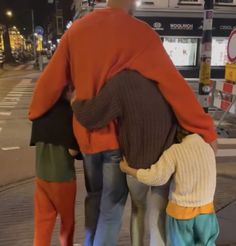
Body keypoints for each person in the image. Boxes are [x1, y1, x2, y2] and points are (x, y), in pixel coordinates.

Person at [28, 0, 217, 245]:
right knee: (112, 205)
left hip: (85, 138)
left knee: (94, 197)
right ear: (130, 5)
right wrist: (205, 129)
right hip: (113, 139)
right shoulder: (140, 33)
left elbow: (50, 82)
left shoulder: (76, 31)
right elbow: (173, 85)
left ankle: (89, 241)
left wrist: (36, 111)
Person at [71, 70, 177, 246]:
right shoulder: (165, 76)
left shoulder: (123, 80)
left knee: (138, 210)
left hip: (134, 166)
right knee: (158, 214)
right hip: (164, 163)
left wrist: (76, 103)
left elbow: (93, 115)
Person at [120, 127, 219, 246]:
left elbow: (156, 177)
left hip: (182, 213)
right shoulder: (208, 148)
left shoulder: (175, 150)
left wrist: (128, 170)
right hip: (206, 212)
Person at [30, 85, 82, 246]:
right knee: (67, 224)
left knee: (42, 224)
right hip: (62, 178)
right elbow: (73, 151)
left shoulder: (41, 111)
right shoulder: (70, 115)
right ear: (67, 91)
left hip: (41, 176)